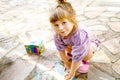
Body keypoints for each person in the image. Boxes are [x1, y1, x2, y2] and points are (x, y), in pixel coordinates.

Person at [49, 0, 101, 80]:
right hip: (72, 44)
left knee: (86, 55)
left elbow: (78, 54)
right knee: (69, 48)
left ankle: (84, 61)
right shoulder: (58, 34)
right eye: (56, 25)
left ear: (72, 20)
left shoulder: (80, 33)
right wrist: (66, 63)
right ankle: (72, 55)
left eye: (64, 23)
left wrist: (72, 72)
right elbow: (60, 50)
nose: (60, 28)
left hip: (89, 43)